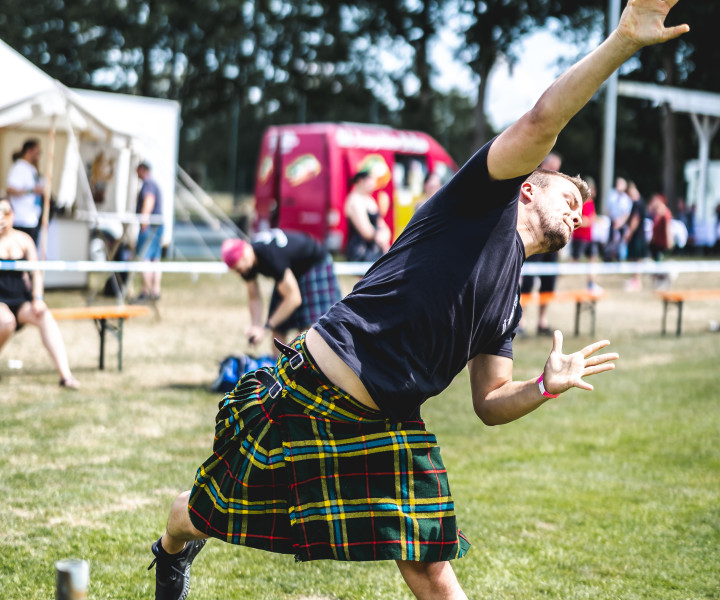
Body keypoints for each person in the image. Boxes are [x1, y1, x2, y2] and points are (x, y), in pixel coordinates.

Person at [148, 2, 686, 598]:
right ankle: (173, 545)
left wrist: (542, 386)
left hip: (390, 419)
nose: (578, 213)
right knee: (209, 512)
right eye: (569, 199)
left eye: (583, 210)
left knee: (431, 565)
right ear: (528, 189)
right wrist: (621, 43)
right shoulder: (481, 200)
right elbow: (542, 120)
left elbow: (489, 401)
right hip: (317, 388)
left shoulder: (509, 299)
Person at [0, 198, 80, 388]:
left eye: (5, 212)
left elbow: (36, 273)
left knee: (45, 316)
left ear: (13, 215)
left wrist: (38, 298)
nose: (2, 217)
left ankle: (65, 376)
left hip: (21, 300)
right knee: (7, 322)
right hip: (1, 302)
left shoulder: (24, 240)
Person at [220, 229, 341, 346]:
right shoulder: (247, 264)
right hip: (290, 270)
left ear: (246, 250)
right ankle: (279, 360)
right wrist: (256, 326)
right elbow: (254, 297)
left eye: (241, 267)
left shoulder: (270, 256)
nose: (242, 271)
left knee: (308, 329)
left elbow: (294, 299)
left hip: (314, 264)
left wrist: (265, 328)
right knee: (278, 329)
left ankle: (309, 360)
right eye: (238, 270)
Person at [520, 151, 562, 335]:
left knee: (549, 282)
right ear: (544, 165)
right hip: (534, 239)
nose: (556, 172)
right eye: (553, 168)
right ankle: (520, 321)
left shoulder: (559, 188)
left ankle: (542, 321)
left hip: (552, 242)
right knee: (528, 282)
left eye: (558, 169)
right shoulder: (533, 183)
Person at [343, 170, 391, 262]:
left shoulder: (370, 199)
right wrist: (382, 239)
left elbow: (381, 224)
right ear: (361, 181)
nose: (374, 184)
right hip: (361, 251)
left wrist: (386, 235)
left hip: (375, 247)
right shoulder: (355, 200)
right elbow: (366, 231)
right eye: (371, 179)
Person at [5, 139, 45, 245]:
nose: (39, 155)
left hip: (32, 218)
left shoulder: (31, 168)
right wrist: (32, 190)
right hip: (21, 220)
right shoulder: (19, 167)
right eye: (37, 152)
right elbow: (10, 189)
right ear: (29, 151)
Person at [135, 161, 164, 301]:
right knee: (155, 259)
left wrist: (144, 220)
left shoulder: (147, 184)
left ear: (142, 169)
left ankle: (146, 292)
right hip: (157, 225)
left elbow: (149, 199)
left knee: (145, 258)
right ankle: (155, 291)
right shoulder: (154, 183)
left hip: (150, 226)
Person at [570, 176, 602, 292]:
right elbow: (577, 219)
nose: (594, 191)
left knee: (593, 259)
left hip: (589, 237)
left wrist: (595, 220)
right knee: (574, 262)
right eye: (593, 189)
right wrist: (586, 221)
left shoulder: (591, 202)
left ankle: (591, 284)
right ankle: (555, 277)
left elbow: (592, 217)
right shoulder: (580, 202)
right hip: (580, 237)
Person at [623, 181, 647, 292]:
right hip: (639, 235)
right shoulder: (639, 201)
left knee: (637, 259)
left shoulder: (637, 203)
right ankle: (635, 280)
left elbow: (635, 219)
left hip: (637, 236)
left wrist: (629, 233)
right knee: (636, 259)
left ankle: (636, 281)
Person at [604, 176, 632, 261]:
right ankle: (609, 257)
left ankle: (620, 258)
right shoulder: (611, 195)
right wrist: (613, 220)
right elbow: (608, 208)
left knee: (621, 243)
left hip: (622, 223)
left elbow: (627, 213)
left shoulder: (626, 199)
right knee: (611, 242)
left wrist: (620, 222)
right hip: (612, 221)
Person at [648, 193, 672, 288]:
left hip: (662, 243)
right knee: (656, 263)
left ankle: (663, 280)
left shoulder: (665, 214)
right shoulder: (657, 213)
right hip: (656, 242)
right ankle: (659, 280)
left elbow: (667, 229)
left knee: (660, 263)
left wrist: (668, 241)